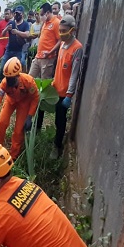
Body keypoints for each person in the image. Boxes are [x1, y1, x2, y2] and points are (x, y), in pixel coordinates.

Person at [42, 15, 83, 159]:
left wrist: (69, 94)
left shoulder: (77, 48)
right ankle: (36, 132)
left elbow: (74, 73)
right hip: (55, 87)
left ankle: (57, 146)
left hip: (64, 93)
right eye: (60, 30)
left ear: (72, 30)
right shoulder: (62, 44)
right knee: (40, 106)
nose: (61, 33)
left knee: (60, 120)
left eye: (64, 30)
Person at [0, 57, 39, 159]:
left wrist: (30, 116)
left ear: (18, 76)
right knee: (2, 122)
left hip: (24, 103)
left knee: (19, 130)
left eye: (11, 79)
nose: (9, 81)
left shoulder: (28, 81)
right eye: (7, 78)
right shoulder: (4, 84)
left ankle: (14, 156)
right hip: (10, 101)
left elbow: (35, 98)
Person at [28, 3, 61, 81]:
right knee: (29, 79)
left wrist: (50, 52)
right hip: (38, 56)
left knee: (44, 82)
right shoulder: (45, 23)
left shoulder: (56, 23)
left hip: (48, 58)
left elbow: (60, 40)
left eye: (42, 14)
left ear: (48, 13)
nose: (40, 16)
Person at [0, 5, 29, 79]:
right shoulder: (11, 23)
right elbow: (2, 34)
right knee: (2, 68)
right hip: (9, 49)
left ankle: (18, 84)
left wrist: (17, 32)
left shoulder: (25, 24)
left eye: (19, 13)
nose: (17, 15)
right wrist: (6, 29)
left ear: (22, 14)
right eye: (15, 13)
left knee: (17, 68)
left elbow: (27, 34)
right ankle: (1, 84)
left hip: (19, 50)